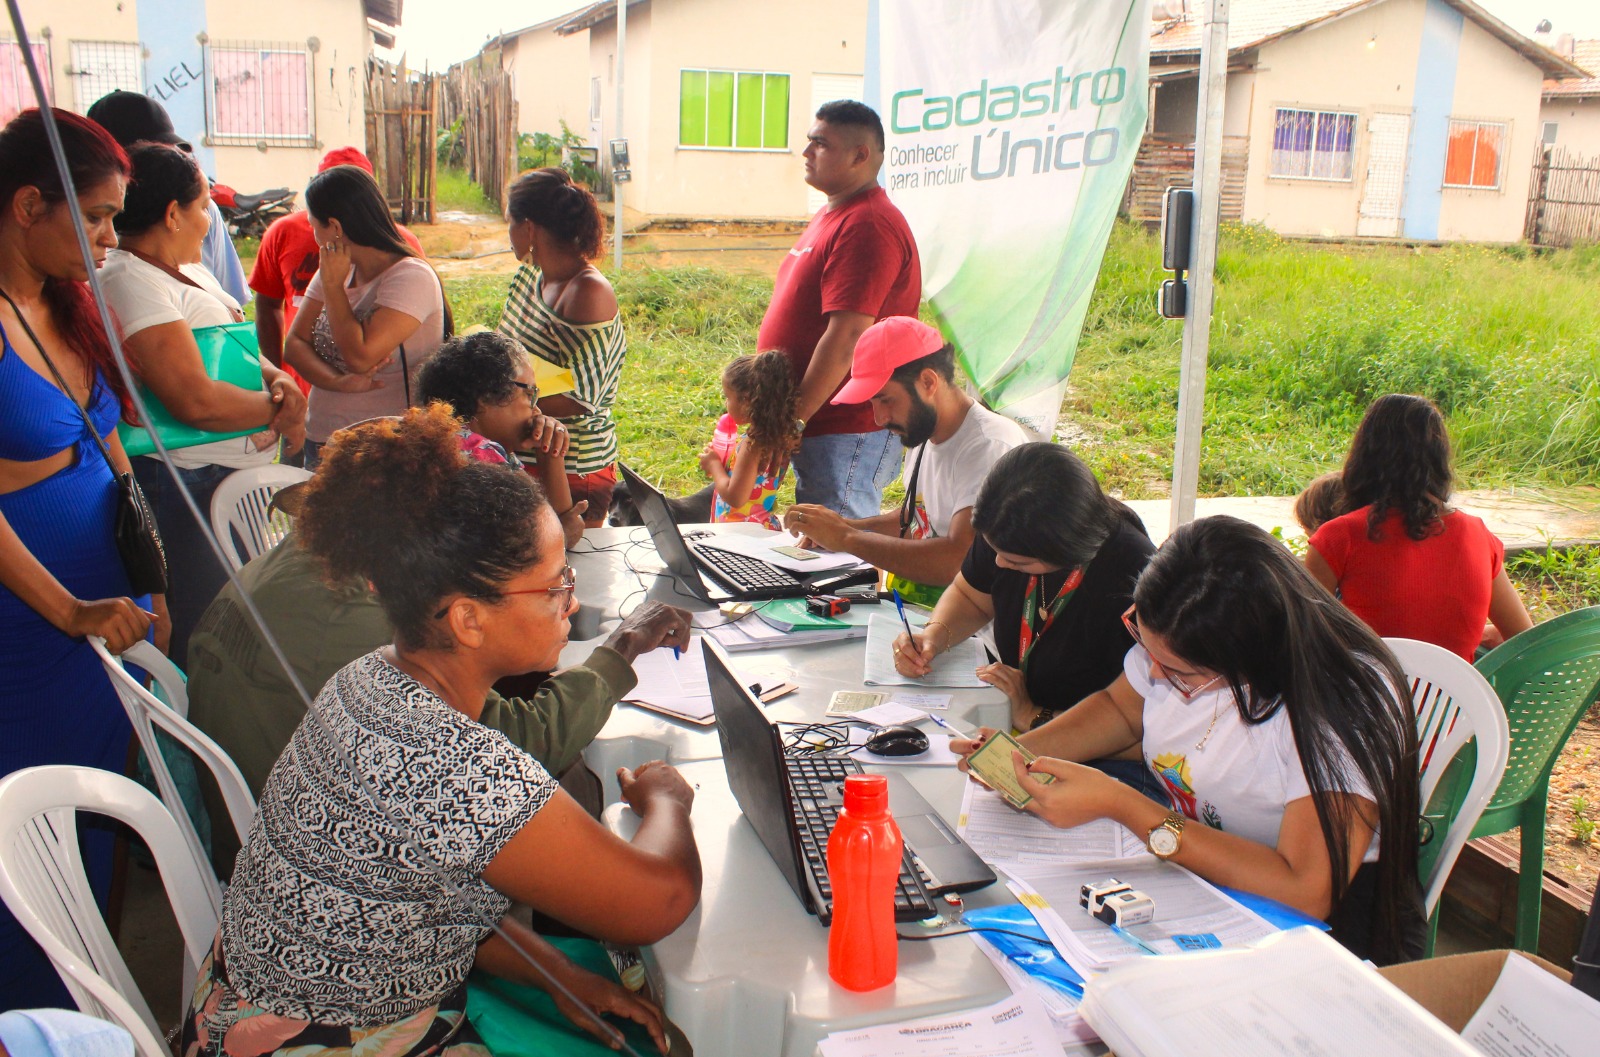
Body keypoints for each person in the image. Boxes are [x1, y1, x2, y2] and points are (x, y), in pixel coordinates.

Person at [180, 406, 700, 1056]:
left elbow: (412, 896)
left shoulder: (368, 679)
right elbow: (663, 898)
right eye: (553, 584)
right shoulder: (459, 768)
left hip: (234, 1017)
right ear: (468, 620)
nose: (570, 599)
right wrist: (666, 798)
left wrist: (558, 972)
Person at [953, 516, 1425, 965]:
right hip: (1205, 874)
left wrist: (1125, 806)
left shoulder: (1339, 705)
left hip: (1320, 930)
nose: (1153, 673)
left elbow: (1305, 891)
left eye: (1178, 672)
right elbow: (1121, 710)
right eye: (1146, 647)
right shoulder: (1182, 634)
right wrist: (1022, 754)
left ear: (1245, 656)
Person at [0, 108, 154, 1010]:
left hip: (107, 613)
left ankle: (86, 1000)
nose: (108, 238)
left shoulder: (65, 296)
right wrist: (68, 608)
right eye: (95, 216)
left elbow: (114, 445)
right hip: (30, 631)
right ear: (27, 204)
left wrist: (150, 576)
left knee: (93, 818)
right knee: (26, 837)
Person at [99, 143, 306, 668]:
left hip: (222, 475)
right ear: (173, 214)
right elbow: (193, 400)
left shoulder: (189, 271)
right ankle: (196, 739)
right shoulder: (129, 279)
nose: (209, 220)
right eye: (204, 207)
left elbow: (235, 351)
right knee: (202, 625)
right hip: (182, 481)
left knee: (233, 613)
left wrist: (277, 378)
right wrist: (278, 410)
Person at [893, 444, 1154, 744]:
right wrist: (933, 637)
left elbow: (1131, 718)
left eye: (1017, 562)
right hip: (1017, 724)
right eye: (993, 550)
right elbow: (969, 596)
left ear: (1065, 548)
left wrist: (1034, 715)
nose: (999, 563)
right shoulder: (1004, 528)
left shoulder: (1130, 579)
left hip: (1086, 748)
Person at [756, 100, 921, 518]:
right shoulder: (835, 214)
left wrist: (792, 421)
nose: (807, 153)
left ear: (860, 155)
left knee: (839, 552)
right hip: (820, 423)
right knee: (816, 543)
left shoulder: (868, 223)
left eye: (820, 144)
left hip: (849, 428)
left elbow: (848, 336)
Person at [783, 317, 1025, 598]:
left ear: (928, 381)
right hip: (917, 616)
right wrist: (845, 526)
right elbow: (917, 519)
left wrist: (848, 538)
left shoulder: (987, 445)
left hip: (970, 631)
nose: (879, 418)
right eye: (872, 403)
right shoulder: (925, 433)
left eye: (886, 400)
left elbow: (957, 560)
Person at [1305, 394, 1532, 660]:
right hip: (1454, 699)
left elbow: (1301, 638)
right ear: (1440, 459)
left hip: (1372, 698)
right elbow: (1523, 637)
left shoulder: (1338, 537)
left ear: (1364, 454)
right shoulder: (1478, 535)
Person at [284, 164, 447, 469]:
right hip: (322, 437)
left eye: (313, 226)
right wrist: (339, 382)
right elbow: (293, 344)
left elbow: (359, 356)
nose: (313, 235)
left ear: (334, 227)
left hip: (383, 448)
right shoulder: (333, 271)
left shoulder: (411, 277)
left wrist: (334, 288)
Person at [498, 168, 624, 526]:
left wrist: (497, 405)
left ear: (529, 228)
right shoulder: (529, 275)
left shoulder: (588, 292)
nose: (507, 233)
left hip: (572, 468)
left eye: (509, 221)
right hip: (524, 455)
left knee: (574, 572)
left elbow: (581, 397)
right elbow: (502, 351)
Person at [249, 147, 424, 404]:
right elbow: (284, 330)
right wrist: (278, 375)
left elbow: (359, 357)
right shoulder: (286, 235)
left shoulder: (405, 261)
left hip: (382, 414)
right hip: (307, 399)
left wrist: (333, 288)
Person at [417, 331, 586, 547]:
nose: (536, 409)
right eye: (529, 394)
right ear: (486, 397)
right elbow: (531, 550)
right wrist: (564, 534)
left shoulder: (434, 438)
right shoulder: (481, 457)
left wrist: (548, 453)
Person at [85, 90, 249, 305]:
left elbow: (231, 298)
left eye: (165, 153)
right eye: (143, 156)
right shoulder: (84, 225)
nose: (161, 164)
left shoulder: (202, 210)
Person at [698, 350, 797, 530]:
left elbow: (736, 497)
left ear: (746, 401)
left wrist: (714, 465)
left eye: (728, 397)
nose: (726, 404)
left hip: (743, 532)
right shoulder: (778, 435)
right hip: (757, 527)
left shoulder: (753, 443)